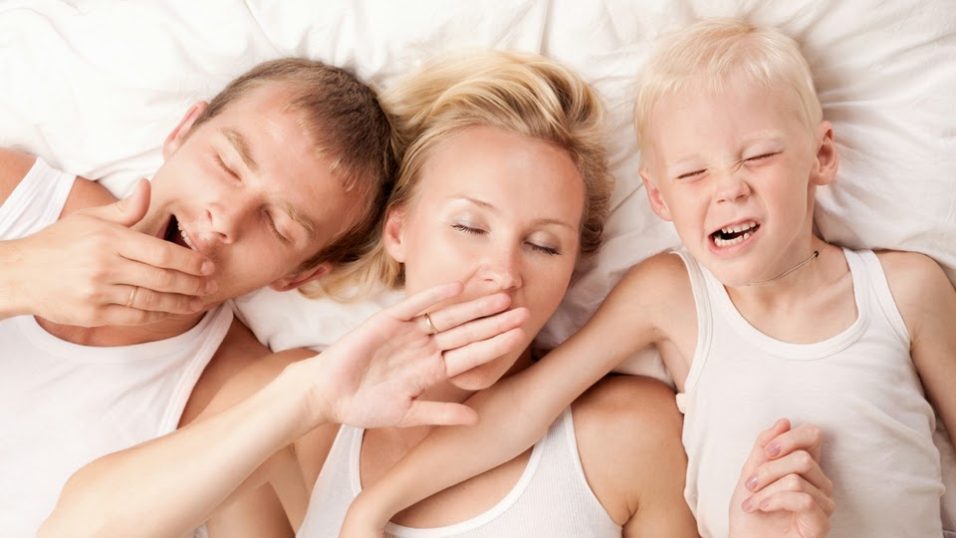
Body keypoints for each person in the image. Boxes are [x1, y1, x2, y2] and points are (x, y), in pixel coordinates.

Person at [42, 50, 833, 538]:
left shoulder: (628, 434)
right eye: (469, 226)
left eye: (544, 244)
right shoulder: (296, 412)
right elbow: (76, 529)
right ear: (398, 234)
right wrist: (308, 397)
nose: (503, 273)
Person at [341, 18, 956, 538]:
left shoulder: (906, 290)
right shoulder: (671, 294)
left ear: (821, 156)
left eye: (759, 156)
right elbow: (522, 410)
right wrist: (375, 506)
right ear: (659, 199)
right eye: (693, 174)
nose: (729, 188)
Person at [0, 57, 525, 536]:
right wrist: (21, 274)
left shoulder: (239, 394)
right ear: (183, 132)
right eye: (227, 165)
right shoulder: (19, 196)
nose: (225, 219)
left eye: (278, 224)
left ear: (297, 275)